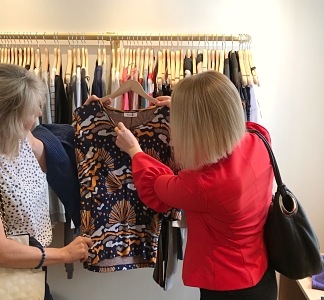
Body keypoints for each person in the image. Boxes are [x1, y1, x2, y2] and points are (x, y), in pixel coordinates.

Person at [114, 71, 278, 300]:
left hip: (228, 286)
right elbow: (226, 126)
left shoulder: (203, 183)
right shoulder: (259, 140)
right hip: (263, 274)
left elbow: (157, 186)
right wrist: (185, 110)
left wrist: (134, 150)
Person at [0, 63, 93, 300]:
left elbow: (67, 146)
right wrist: (64, 254)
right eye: (30, 110)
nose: (39, 114)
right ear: (6, 117)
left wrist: (91, 117)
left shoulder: (25, 141)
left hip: (34, 272)